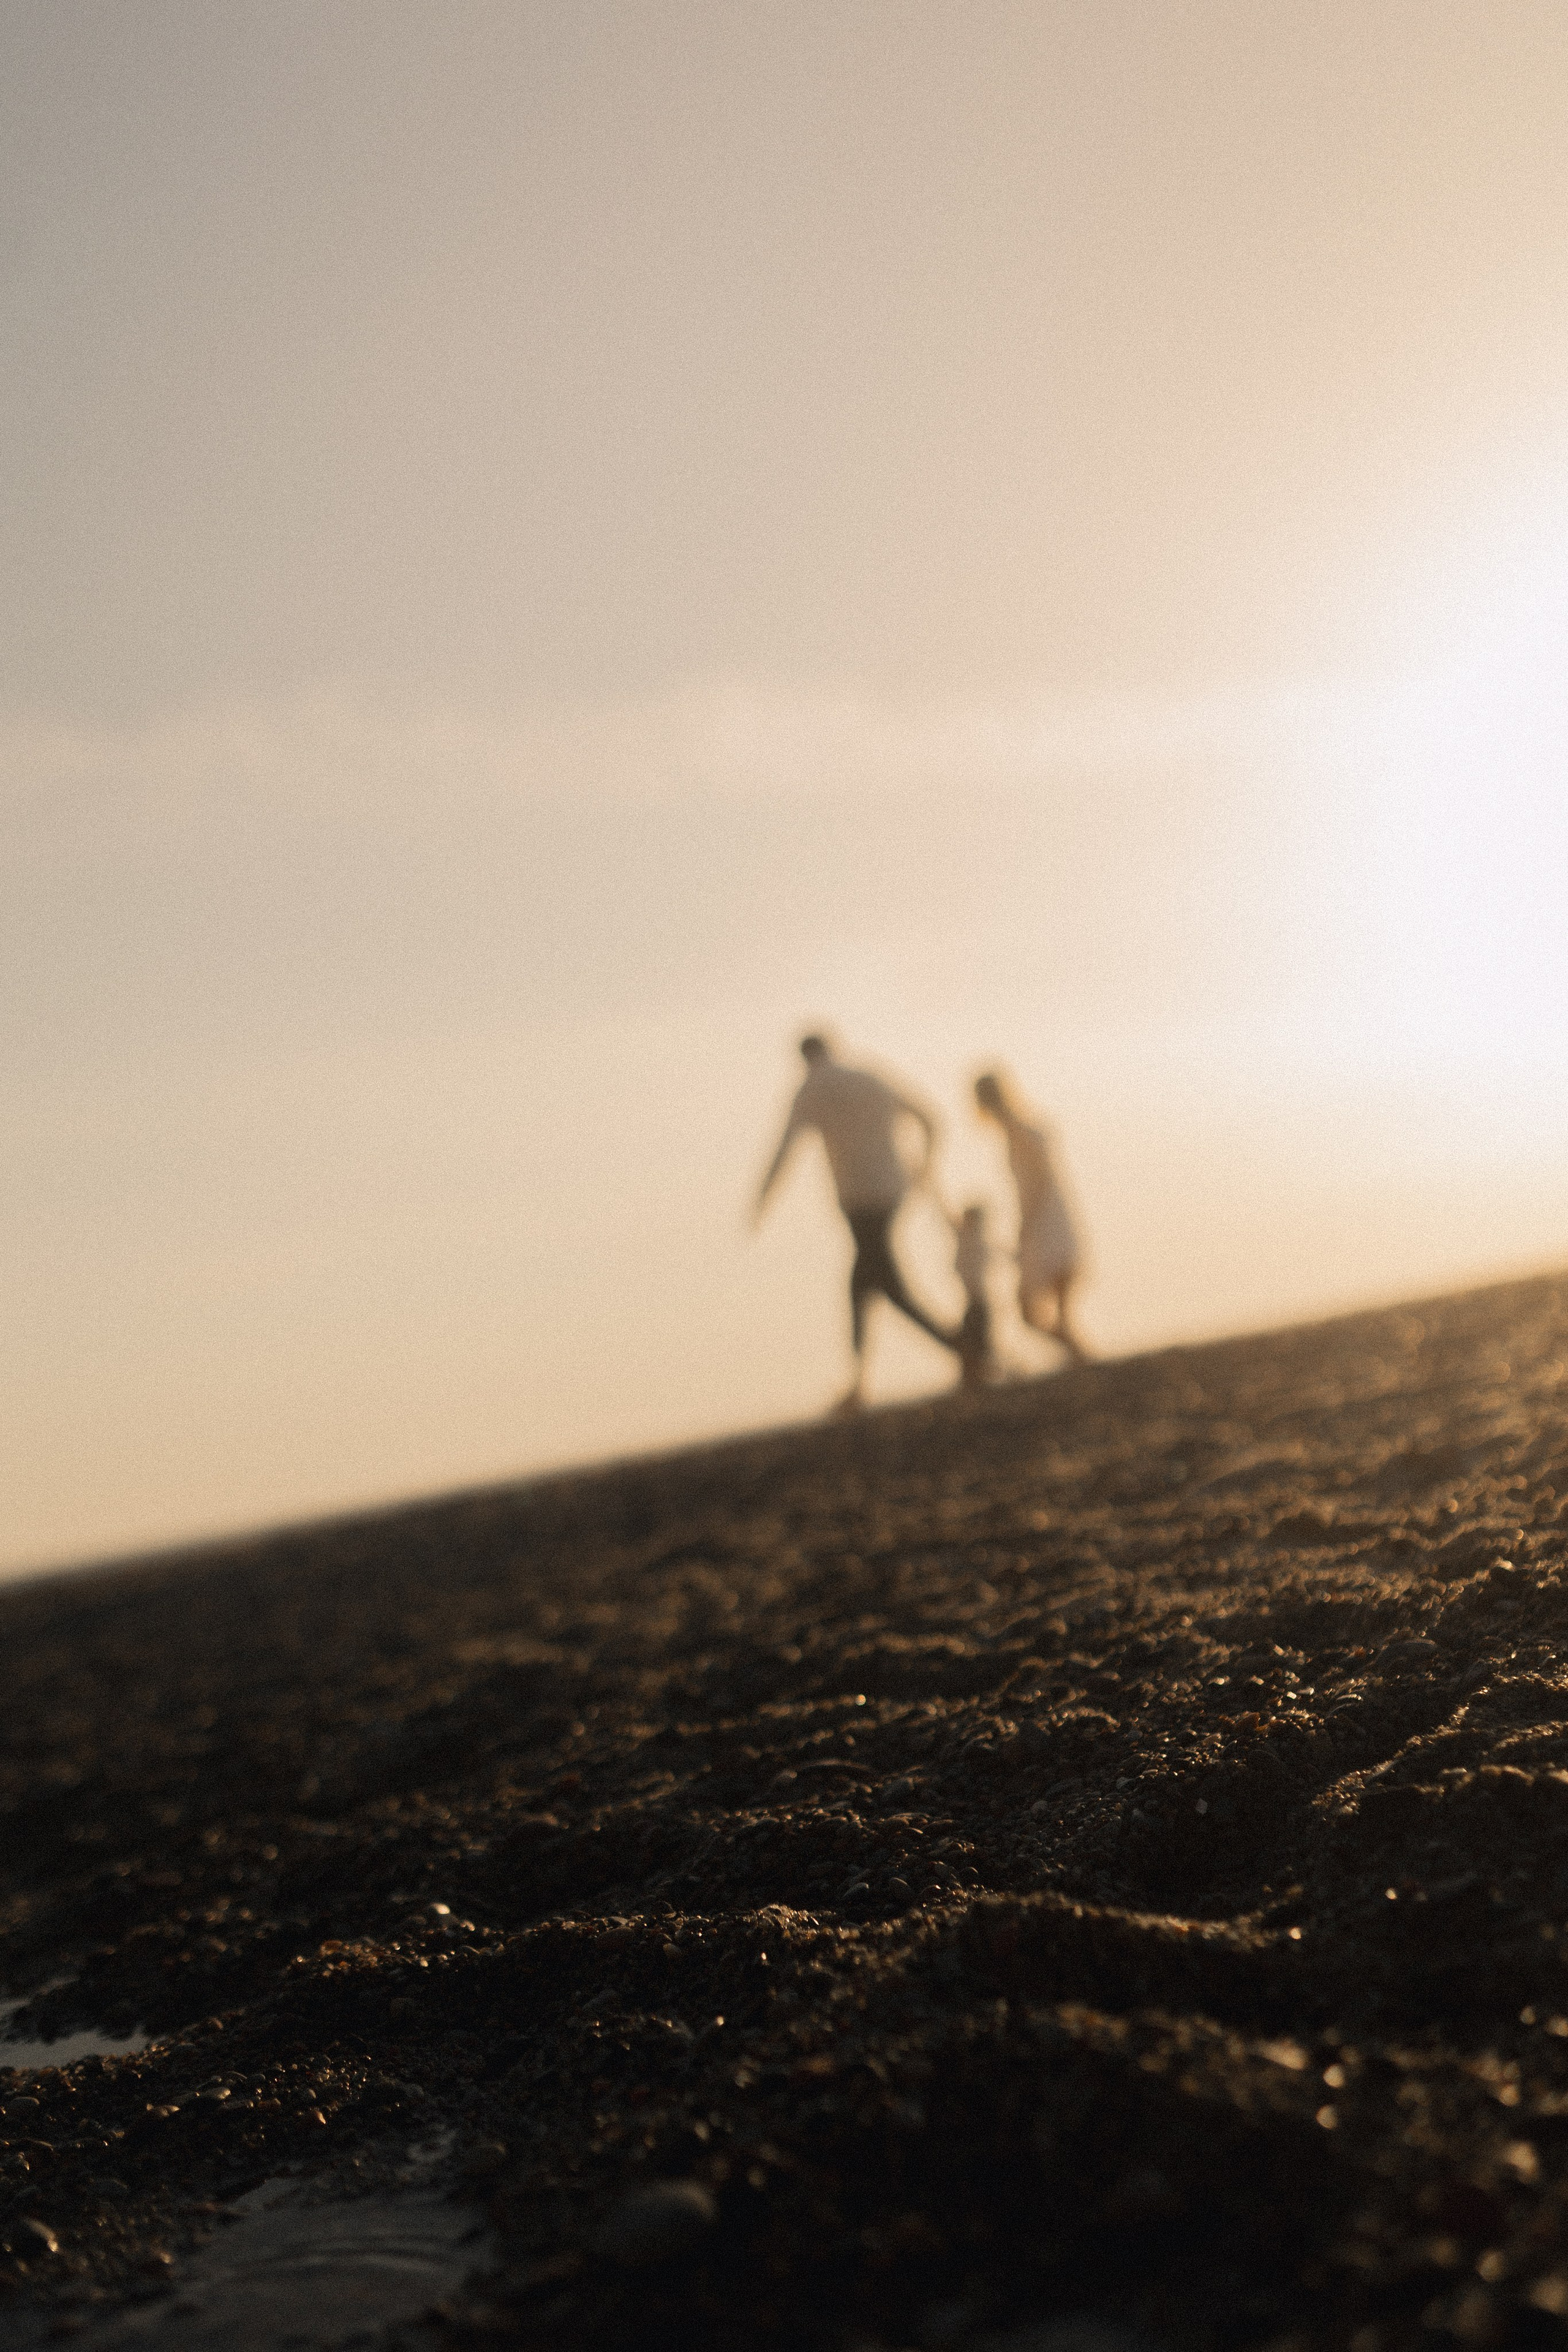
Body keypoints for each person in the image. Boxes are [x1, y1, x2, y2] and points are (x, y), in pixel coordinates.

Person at [754, 1032, 959, 1414]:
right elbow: (930, 1119)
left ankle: (964, 1350)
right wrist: (923, 1168)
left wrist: (762, 1202)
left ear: (804, 1057)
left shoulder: (811, 1090)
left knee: (880, 1284)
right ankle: (867, 1379)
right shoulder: (868, 1076)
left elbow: (786, 1148)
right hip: (893, 1191)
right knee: (868, 1282)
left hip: (860, 1201)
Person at [973, 1067, 1090, 1362]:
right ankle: (1080, 1356)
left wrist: (1025, 1223)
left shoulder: (1018, 1129)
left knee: (1033, 1308)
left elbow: (1039, 1177)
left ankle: (1081, 1357)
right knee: (1044, 1311)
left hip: (1043, 1221)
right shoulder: (1021, 1127)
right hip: (1048, 1217)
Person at [946, 1200, 998, 1389]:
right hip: (974, 1305)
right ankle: (976, 1380)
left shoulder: (977, 1241)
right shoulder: (968, 1239)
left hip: (979, 1305)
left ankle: (982, 1380)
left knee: (977, 1348)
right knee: (974, 1348)